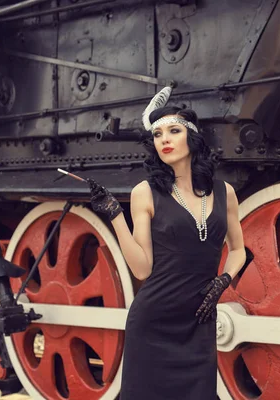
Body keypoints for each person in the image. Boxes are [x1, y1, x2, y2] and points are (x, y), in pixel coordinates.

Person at [86, 86, 246, 399]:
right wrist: (116, 216)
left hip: (199, 318)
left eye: (174, 130)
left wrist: (224, 280)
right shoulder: (144, 193)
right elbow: (142, 269)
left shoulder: (224, 191)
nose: (165, 139)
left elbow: (238, 249)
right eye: (157, 134)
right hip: (153, 321)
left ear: (193, 137)